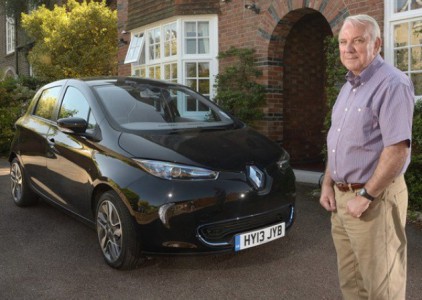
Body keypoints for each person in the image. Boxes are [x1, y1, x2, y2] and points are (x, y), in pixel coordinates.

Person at [319, 14, 415, 300]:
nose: (348, 48)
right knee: (352, 284)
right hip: (342, 200)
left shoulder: (392, 84)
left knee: (381, 288)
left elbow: (398, 149)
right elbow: (338, 141)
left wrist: (368, 196)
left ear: (376, 44)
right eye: (343, 42)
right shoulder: (349, 86)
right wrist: (327, 183)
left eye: (358, 41)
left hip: (375, 199)